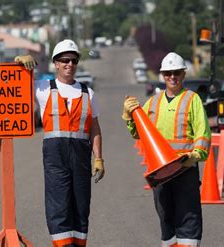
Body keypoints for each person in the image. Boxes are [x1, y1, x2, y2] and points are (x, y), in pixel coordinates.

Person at [15, 39, 104, 247]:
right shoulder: (43, 88)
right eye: (64, 60)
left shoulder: (88, 93)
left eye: (73, 60)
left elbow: (95, 129)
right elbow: (15, 84)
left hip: (81, 157)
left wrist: (99, 158)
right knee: (59, 206)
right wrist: (19, 62)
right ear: (56, 63)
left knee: (81, 206)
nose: (69, 64)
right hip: (56, 157)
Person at [122, 52, 211, 247]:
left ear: (183, 74)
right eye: (168, 73)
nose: (172, 77)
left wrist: (196, 154)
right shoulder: (153, 102)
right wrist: (130, 117)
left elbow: (203, 133)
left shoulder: (192, 99)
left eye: (177, 73)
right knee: (165, 217)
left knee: (188, 216)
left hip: (184, 167)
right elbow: (139, 133)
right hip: (160, 171)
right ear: (163, 75)